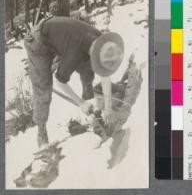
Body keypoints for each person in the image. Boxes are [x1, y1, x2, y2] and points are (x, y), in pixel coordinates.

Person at [24, 16, 124, 148]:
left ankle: (94, 113)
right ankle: (41, 131)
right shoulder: (74, 53)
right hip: (38, 42)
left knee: (88, 71)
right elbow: (60, 81)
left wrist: (108, 108)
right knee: (43, 88)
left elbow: (104, 73)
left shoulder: (101, 41)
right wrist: (80, 103)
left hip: (60, 36)